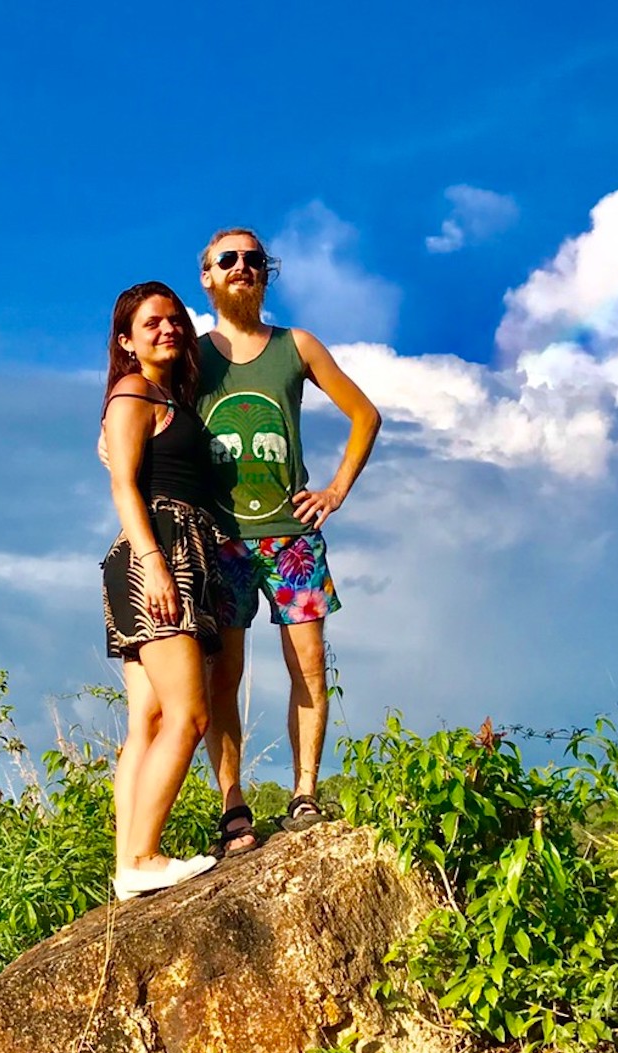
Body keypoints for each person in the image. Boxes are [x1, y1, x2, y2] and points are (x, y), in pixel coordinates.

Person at [195, 228, 381, 856]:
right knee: (224, 675)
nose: (242, 267)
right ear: (208, 276)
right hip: (220, 541)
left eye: (254, 259)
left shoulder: (295, 346)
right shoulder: (191, 355)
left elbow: (365, 415)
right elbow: (140, 410)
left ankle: (304, 792)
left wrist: (334, 490)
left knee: (307, 665)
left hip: (290, 536)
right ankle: (233, 807)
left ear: (265, 274)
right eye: (229, 259)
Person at [99, 282, 221, 900]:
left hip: (171, 548)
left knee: (147, 718)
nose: (168, 329)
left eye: (175, 320)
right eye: (152, 323)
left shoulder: (167, 396)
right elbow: (123, 485)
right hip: (160, 550)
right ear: (127, 340)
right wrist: (154, 562)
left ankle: (128, 862)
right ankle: (142, 857)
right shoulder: (133, 394)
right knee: (188, 714)